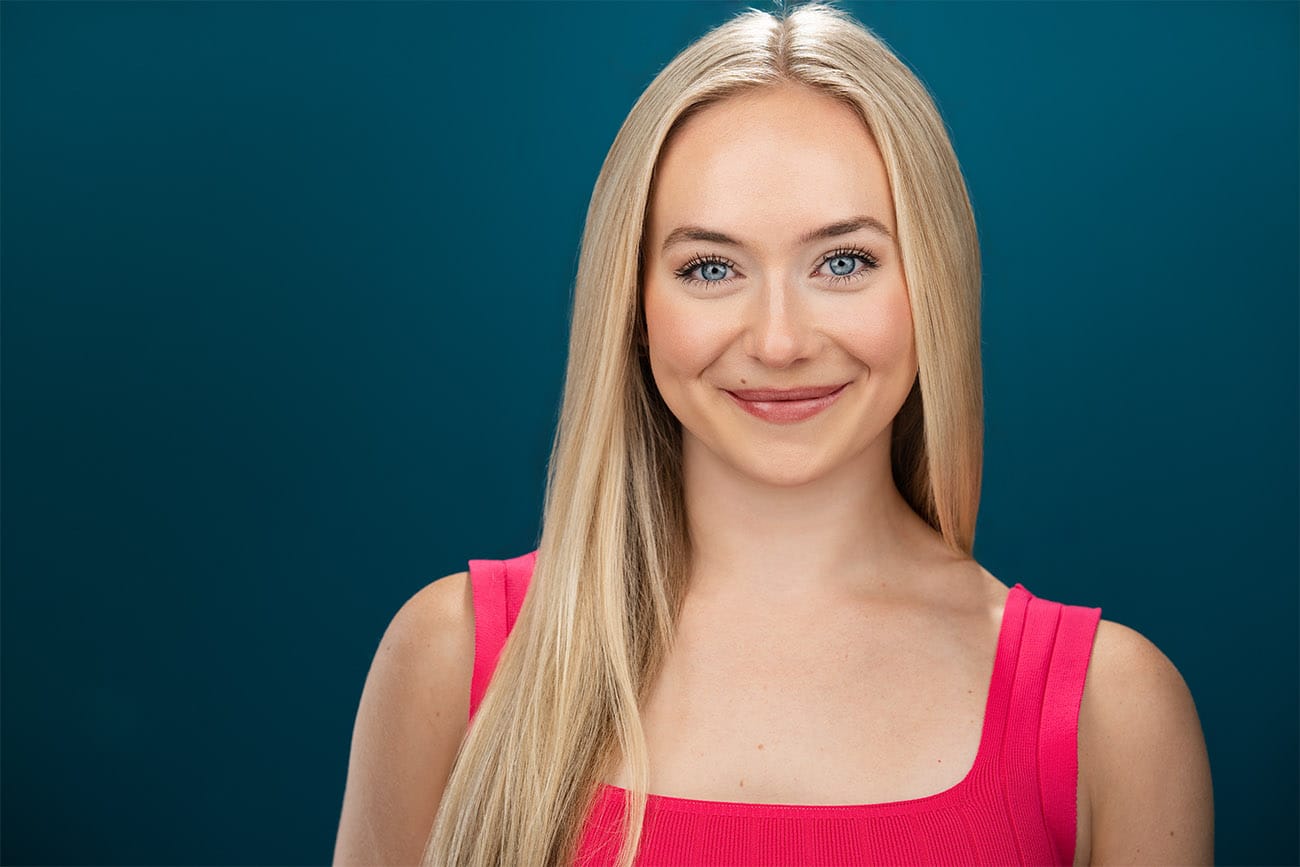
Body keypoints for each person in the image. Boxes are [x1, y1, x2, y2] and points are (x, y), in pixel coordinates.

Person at [333, 3, 1214, 866]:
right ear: (634, 308)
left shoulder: (1111, 715)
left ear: (932, 289)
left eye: (844, 261)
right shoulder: (451, 661)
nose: (780, 341)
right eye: (710, 268)